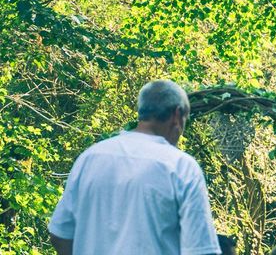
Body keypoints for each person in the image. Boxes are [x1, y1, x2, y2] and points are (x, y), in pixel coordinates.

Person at [48, 80, 222, 255]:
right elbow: (201, 250)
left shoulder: (90, 158)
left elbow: (60, 234)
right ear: (177, 116)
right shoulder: (181, 167)